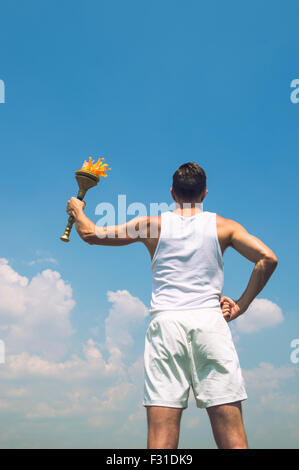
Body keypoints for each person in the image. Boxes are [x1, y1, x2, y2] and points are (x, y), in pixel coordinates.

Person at [66, 162, 278, 449]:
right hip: (209, 324)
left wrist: (78, 211)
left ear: (172, 193)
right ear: (204, 193)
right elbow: (267, 258)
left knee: (161, 440)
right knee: (233, 439)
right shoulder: (225, 227)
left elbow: (91, 234)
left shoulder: (151, 224)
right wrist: (241, 304)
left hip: (166, 326)